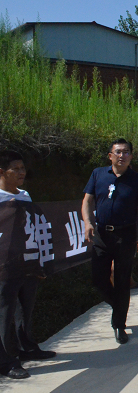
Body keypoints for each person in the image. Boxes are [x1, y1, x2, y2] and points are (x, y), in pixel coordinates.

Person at [81, 139, 138, 344]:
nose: (122, 155)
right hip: (102, 234)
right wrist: (87, 222)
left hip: (126, 235)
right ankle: (118, 307)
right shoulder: (98, 174)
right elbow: (87, 201)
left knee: (122, 281)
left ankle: (119, 324)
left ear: (131, 156)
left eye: (126, 152)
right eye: (118, 152)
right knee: (98, 279)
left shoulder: (137, 180)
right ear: (110, 155)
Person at [0, 151, 56, 380]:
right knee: (4, 314)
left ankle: (28, 348)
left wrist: (41, 262)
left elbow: (35, 229)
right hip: (4, 269)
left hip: (28, 265)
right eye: (16, 168)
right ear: (2, 172)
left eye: (23, 168)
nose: (22, 172)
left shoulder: (25, 196)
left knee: (25, 310)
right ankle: (6, 361)